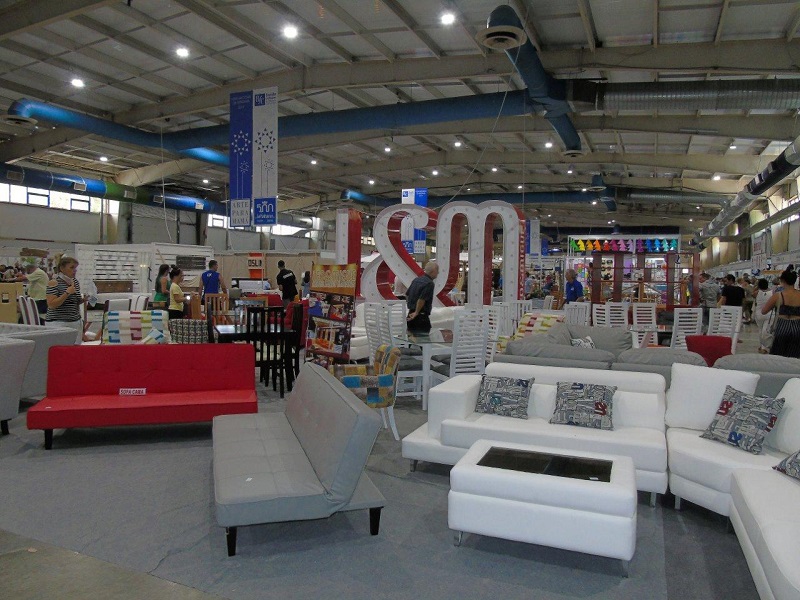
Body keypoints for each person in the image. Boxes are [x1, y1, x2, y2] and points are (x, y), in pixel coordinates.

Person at [760, 269, 800, 358]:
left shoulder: (778, 295)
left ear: (783, 281)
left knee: (778, 357)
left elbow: (764, 311)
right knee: (795, 357)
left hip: (781, 327)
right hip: (797, 328)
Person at [45, 256, 84, 344]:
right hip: (58, 322)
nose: (75, 270)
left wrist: (84, 299)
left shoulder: (75, 282)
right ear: (62, 268)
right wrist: (67, 293)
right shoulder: (54, 282)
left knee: (75, 348)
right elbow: (51, 304)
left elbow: (74, 302)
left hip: (75, 321)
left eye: (75, 268)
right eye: (71, 268)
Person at [406, 261, 438, 333]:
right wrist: (416, 312)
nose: (438, 273)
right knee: (424, 338)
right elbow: (422, 299)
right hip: (420, 316)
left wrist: (411, 307)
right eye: (437, 271)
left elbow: (407, 294)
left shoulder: (416, 280)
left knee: (411, 337)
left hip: (410, 314)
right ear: (434, 271)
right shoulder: (429, 283)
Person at [753, 278, 774, 354]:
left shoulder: (756, 292)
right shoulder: (773, 292)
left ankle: (761, 346)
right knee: (766, 331)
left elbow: (753, 294)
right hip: (769, 314)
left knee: (760, 330)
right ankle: (764, 347)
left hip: (759, 314)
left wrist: (756, 287)